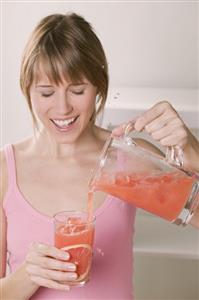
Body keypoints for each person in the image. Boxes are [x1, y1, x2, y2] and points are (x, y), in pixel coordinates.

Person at [0, 12, 198, 300]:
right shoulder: (6, 171)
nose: (62, 107)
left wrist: (194, 155)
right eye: (46, 93)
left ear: (98, 87)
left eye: (77, 90)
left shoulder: (126, 160)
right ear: (26, 90)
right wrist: (28, 275)